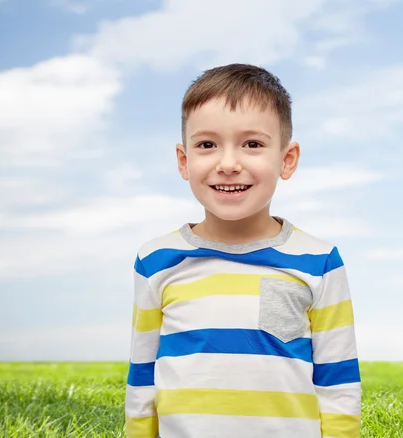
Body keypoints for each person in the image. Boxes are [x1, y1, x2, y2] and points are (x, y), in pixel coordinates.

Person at [124, 63, 361, 438]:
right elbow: (142, 374)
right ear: (184, 161)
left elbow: (338, 381)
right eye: (207, 145)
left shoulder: (319, 261)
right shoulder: (156, 260)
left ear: (287, 159)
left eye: (252, 144)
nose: (229, 164)